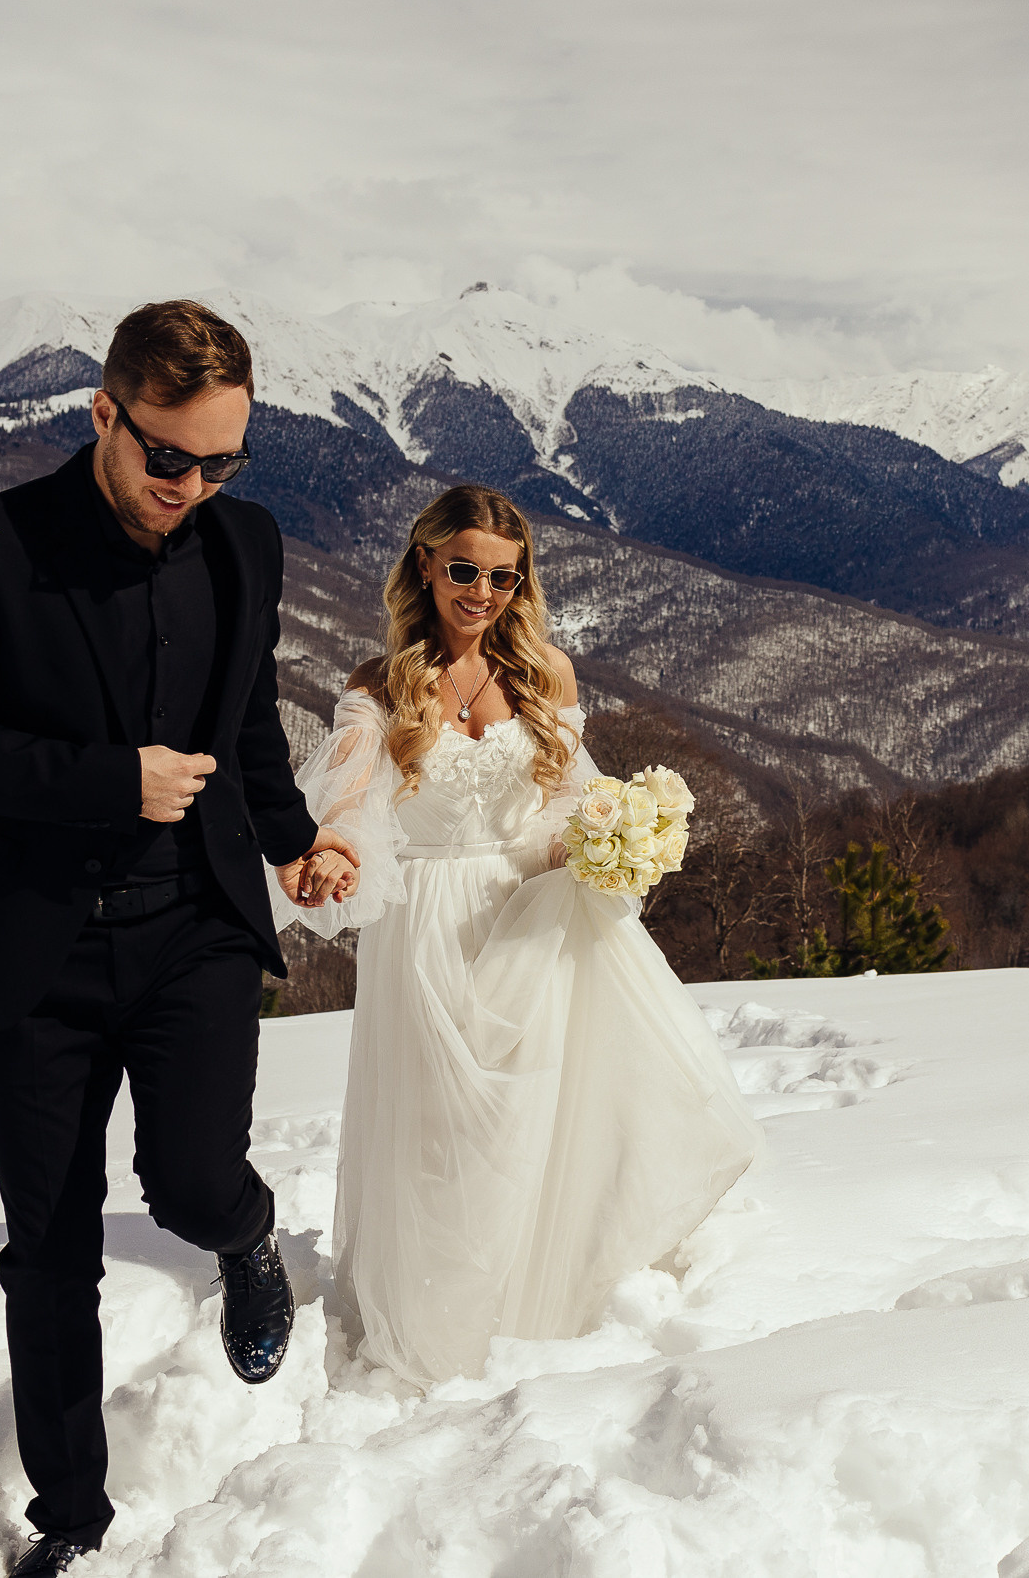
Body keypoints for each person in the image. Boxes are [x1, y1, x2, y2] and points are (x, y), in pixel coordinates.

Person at [0, 300, 358, 1576]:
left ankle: (246, 1238)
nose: (191, 489)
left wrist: (292, 836)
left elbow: (245, 712)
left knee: (192, 1181)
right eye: (169, 460)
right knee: (53, 1249)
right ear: (104, 415)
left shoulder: (242, 543)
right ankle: (70, 1522)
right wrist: (106, 778)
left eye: (221, 464)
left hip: (193, 923)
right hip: (34, 951)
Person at [276, 484, 764, 1387]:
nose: (483, 592)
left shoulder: (549, 675)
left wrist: (612, 836)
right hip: (422, 924)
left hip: (529, 917)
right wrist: (337, 848)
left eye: (504, 575)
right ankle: (430, 1325)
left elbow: (568, 802)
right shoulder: (377, 687)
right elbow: (347, 800)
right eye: (464, 569)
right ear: (424, 563)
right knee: (437, 1127)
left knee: (523, 1121)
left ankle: (523, 1307)